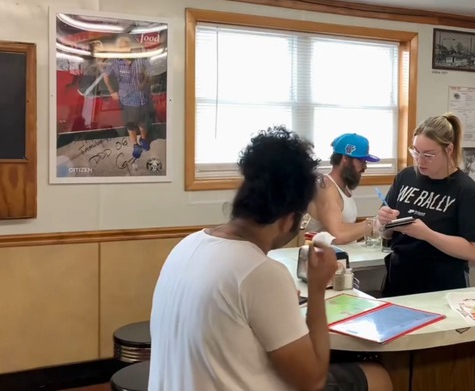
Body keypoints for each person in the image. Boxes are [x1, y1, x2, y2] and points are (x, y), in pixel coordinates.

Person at [148, 126, 391, 391]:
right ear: (288, 219)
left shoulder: (187, 245)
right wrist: (318, 288)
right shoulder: (260, 273)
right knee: (378, 376)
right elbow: (312, 379)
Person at [376, 113, 475, 297]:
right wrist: (382, 222)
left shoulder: (466, 191)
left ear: (449, 149)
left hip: (442, 285)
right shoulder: (406, 177)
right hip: (399, 278)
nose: (420, 161)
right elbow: (385, 233)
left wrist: (427, 235)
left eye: (428, 155)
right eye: (416, 152)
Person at [307, 133, 380, 245]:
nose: (365, 167)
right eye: (361, 161)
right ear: (345, 158)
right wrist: (375, 222)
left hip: (342, 258)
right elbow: (337, 235)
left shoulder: (344, 187)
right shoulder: (325, 186)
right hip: (323, 259)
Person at [103, 36, 156, 160]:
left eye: (125, 46)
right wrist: (112, 91)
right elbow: (106, 76)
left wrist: (146, 82)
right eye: (120, 47)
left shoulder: (140, 58)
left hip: (142, 98)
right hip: (126, 100)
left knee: (143, 123)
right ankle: (135, 145)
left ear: (130, 47)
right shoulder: (115, 61)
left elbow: (151, 72)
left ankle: (143, 139)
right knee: (131, 125)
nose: (123, 49)